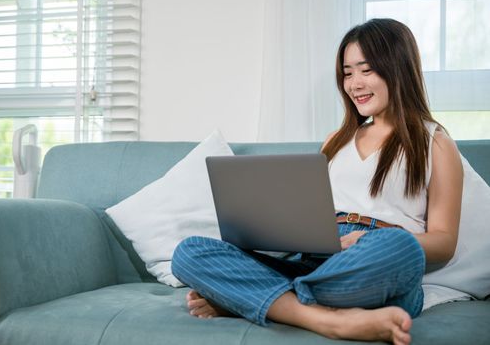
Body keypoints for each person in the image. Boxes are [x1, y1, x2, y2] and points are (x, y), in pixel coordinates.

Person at [171, 18, 463, 345]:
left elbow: (444, 241)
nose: (354, 84)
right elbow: (310, 215)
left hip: (377, 262)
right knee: (189, 252)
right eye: (348, 73)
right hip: (314, 263)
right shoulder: (335, 141)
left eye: (366, 70)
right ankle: (329, 319)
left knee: (402, 246)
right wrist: (278, 232)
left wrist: (364, 241)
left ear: (398, 68)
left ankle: (257, 300)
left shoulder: (434, 141)